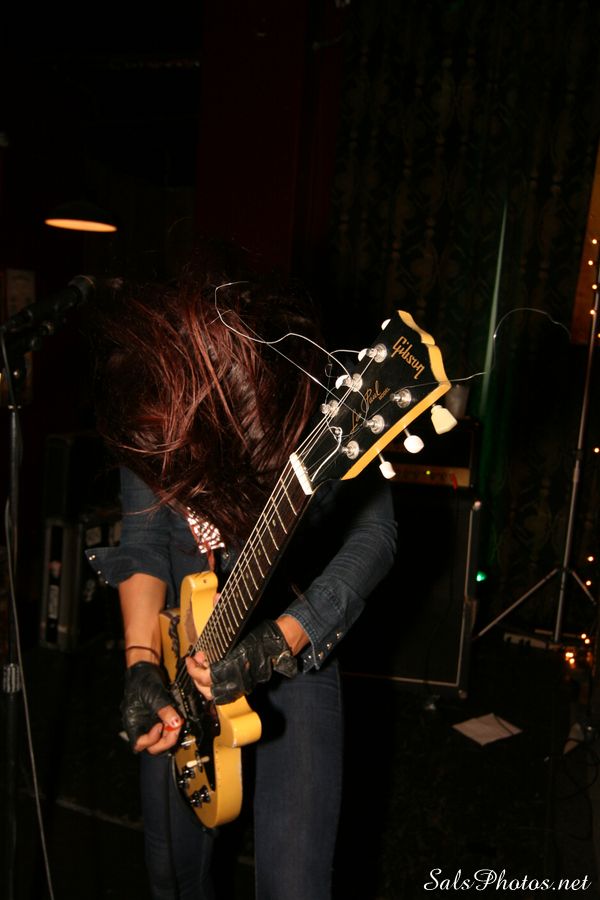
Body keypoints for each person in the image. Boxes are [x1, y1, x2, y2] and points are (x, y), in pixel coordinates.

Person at [86, 261, 397, 900]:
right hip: (181, 648)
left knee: (295, 883)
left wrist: (284, 638)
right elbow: (144, 542)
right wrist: (141, 660)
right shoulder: (146, 385)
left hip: (295, 632)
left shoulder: (312, 397)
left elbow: (374, 535)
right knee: (171, 874)